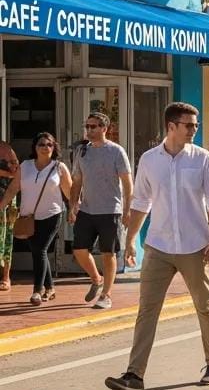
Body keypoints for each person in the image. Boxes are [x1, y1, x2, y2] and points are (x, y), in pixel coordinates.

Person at [105, 103, 209, 390]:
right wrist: (131, 238)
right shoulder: (149, 160)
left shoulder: (202, 159)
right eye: (189, 125)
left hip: (194, 245)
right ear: (171, 126)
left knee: (205, 306)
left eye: (195, 125)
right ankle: (135, 374)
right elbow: (141, 202)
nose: (194, 130)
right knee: (147, 310)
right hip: (158, 244)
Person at [69, 112, 133, 311]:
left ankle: (106, 295)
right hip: (87, 209)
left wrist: (127, 208)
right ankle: (96, 279)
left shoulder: (116, 151)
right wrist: (73, 205)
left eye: (94, 126)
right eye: (87, 126)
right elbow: (76, 181)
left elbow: (127, 182)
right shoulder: (82, 152)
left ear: (105, 129)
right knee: (79, 249)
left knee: (108, 253)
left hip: (110, 210)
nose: (89, 130)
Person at [7, 134, 72, 305]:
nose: (46, 147)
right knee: (37, 251)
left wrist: (75, 210)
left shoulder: (59, 167)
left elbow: (70, 192)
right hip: (28, 217)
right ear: (35, 147)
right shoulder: (25, 166)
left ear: (54, 147)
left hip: (52, 214)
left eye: (49, 144)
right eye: (41, 144)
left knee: (40, 249)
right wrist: (1, 205)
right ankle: (50, 288)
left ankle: (37, 290)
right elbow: (14, 187)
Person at [0, 141, 19, 293]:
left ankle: (6, 277)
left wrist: (3, 172)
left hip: (6, 198)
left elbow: (16, 171)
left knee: (6, 237)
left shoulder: (5, 149)